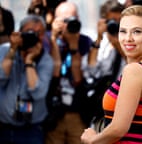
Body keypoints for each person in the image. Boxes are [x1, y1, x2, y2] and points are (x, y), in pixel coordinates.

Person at [81, 5, 142, 143]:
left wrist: (93, 139)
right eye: (122, 31)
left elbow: (118, 129)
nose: (128, 38)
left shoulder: (134, 70)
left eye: (137, 32)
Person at [0, 14, 53, 144]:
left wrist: (29, 61)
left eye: (38, 33)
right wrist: (13, 49)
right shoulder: (5, 50)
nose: (33, 36)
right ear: (20, 33)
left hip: (31, 130)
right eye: (29, 32)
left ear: (43, 36)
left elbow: (38, 92)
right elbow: (1, 76)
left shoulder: (46, 60)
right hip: (3, 127)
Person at [44, 1, 92, 144]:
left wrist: (73, 46)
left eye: (73, 19)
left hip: (77, 113)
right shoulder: (47, 40)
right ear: (55, 20)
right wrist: (53, 38)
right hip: (53, 113)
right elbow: (53, 72)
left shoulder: (85, 41)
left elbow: (78, 78)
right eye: (65, 20)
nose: (69, 24)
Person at [80, 0, 126, 127]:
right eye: (113, 20)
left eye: (119, 20)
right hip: (102, 109)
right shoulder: (100, 43)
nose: (116, 24)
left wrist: (117, 43)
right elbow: (91, 70)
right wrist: (99, 37)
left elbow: (134, 64)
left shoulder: (130, 40)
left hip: (124, 107)